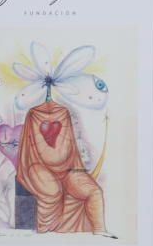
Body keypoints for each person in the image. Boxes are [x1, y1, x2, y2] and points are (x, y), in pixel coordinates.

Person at [16, 99, 109, 235]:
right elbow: (43, 154)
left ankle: (100, 231)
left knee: (94, 191)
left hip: (67, 169)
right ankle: (46, 233)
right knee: (52, 191)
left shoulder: (65, 119)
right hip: (38, 166)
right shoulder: (34, 115)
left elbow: (66, 152)